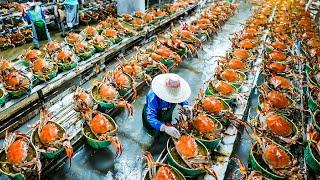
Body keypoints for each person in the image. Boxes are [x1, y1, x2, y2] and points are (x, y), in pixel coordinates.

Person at [142, 73, 192, 138]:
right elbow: (151, 118)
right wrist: (165, 128)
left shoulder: (177, 94)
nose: (173, 98)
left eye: (175, 94)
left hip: (166, 113)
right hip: (154, 115)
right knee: (154, 131)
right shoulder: (153, 96)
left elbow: (180, 98)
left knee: (167, 123)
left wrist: (185, 105)